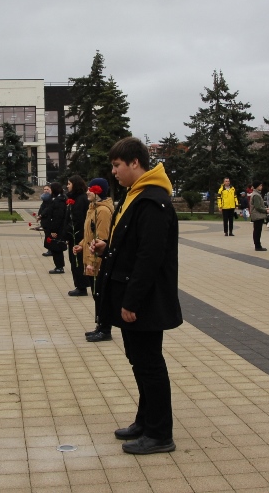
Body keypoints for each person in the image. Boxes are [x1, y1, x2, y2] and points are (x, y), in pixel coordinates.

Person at [90, 137, 181, 455]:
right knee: (140, 362)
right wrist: (107, 248)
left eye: (117, 165)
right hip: (136, 296)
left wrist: (132, 302)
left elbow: (149, 258)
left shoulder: (152, 201)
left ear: (135, 163)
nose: (113, 171)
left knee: (150, 364)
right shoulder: (136, 195)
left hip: (145, 300)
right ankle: (145, 421)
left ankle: (160, 434)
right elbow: (133, 244)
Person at [75, 177, 114, 342]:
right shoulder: (93, 208)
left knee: (101, 295)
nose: (87, 191)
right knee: (96, 294)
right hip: (90, 256)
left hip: (98, 261)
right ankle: (100, 325)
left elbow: (101, 239)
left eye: (91, 189)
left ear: (99, 191)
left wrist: (92, 263)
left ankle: (105, 330)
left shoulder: (103, 211)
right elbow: (90, 234)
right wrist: (81, 245)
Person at [64, 175, 90, 296]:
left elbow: (77, 220)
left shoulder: (80, 199)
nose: (67, 186)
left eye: (69, 184)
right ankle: (80, 285)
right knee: (75, 261)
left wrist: (67, 233)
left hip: (78, 236)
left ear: (75, 185)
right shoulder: (77, 198)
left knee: (77, 262)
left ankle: (81, 287)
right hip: (76, 235)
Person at [42, 182, 67, 273]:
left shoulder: (59, 201)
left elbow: (57, 217)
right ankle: (59, 266)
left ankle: (59, 267)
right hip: (57, 228)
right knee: (55, 247)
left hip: (57, 229)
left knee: (56, 247)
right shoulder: (57, 199)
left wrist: (53, 230)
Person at [249, 182, 268, 251]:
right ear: (257, 186)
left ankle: (257, 245)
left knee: (257, 230)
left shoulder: (256, 194)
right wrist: (265, 210)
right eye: (260, 185)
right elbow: (257, 207)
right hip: (257, 215)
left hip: (257, 215)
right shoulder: (256, 195)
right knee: (257, 231)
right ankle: (257, 246)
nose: (261, 187)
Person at [37, 184, 53, 255]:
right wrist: (39, 215)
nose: (46, 191)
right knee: (47, 235)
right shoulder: (45, 198)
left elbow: (48, 209)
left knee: (49, 235)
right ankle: (49, 249)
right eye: (45, 189)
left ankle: (50, 250)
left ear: (51, 190)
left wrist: (41, 215)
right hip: (44, 220)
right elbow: (42, 207)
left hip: (49, 220)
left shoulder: (51, 199)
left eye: (47, 189)